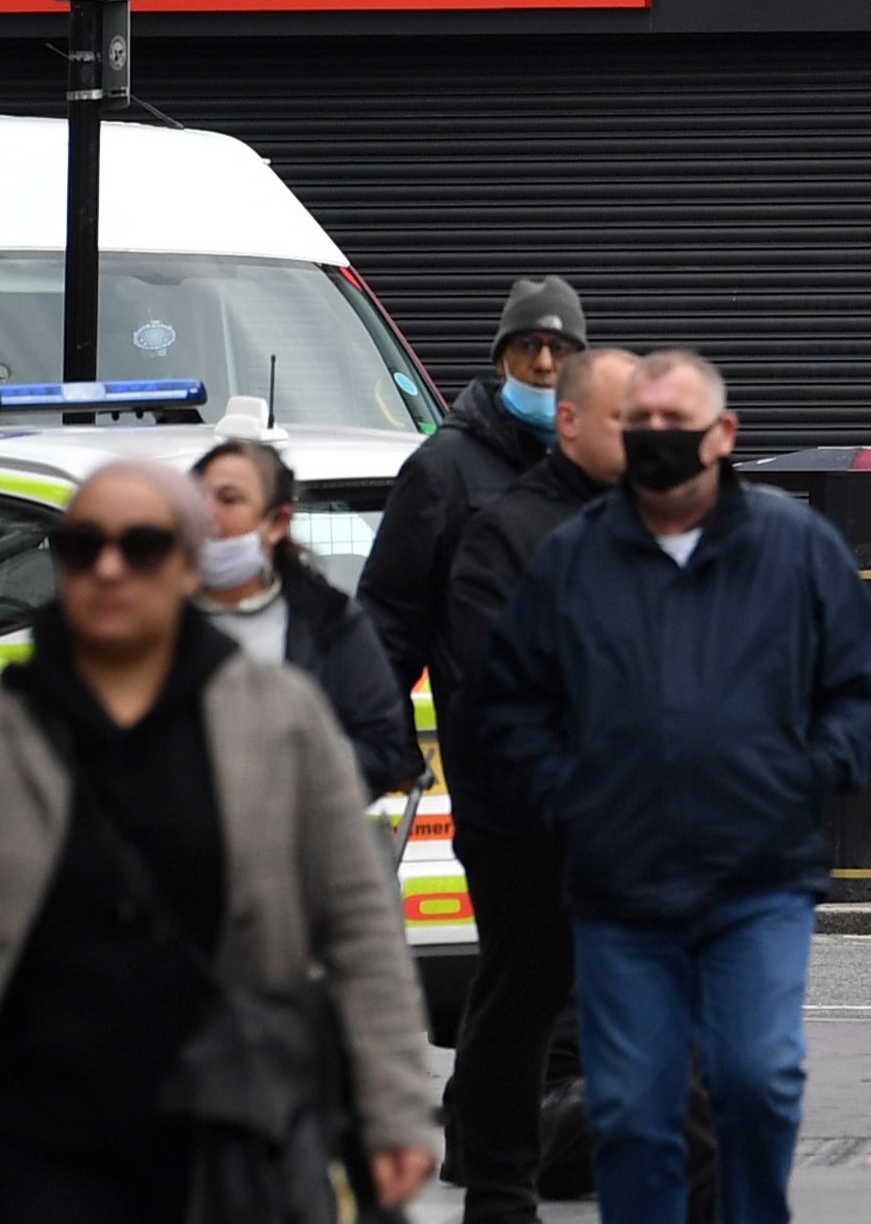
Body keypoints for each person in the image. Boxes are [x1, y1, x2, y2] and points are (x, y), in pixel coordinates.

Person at [0, 455, 437, 1224]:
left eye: (140, 546)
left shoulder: (281, 722)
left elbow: (360, 926)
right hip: (20, 1149)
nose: (108, 567)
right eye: (81, 546)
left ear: (186, 565)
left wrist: (394, 1108)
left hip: (221, 1141)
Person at [477, 349, 871, 1224]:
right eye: (643, 423)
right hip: (621, 887)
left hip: (757, 879)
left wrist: (806, 776)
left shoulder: (796, 551)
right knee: (631, 1111)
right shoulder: (574, 559)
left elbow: (865, 690)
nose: (658, 438)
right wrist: (570, 797)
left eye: (678, 422)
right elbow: (511, 700)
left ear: (725, 434)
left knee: (757, 1080)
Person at [434, 345, 638, 1224]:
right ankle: (500, 1182)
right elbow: (495, 675)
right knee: (522, 1003)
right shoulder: (508, 527)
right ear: (570, 421)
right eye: (626, 419)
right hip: (528, 822)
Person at [359, 272, 589, 698]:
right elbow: (388, 633)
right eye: (526, 346)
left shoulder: (599, 465)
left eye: (559, 349)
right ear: (501, 361)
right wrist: (398, 761)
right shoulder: (440, 470)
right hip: (489, 749)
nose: (543, 364)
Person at [194, 430, 419, 796]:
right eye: (197, 498)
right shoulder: (152, 619)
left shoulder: (328, 621)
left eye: (228, 500)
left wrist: (292, 763)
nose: (207, 514)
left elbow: (381, 748)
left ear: (277, 523)